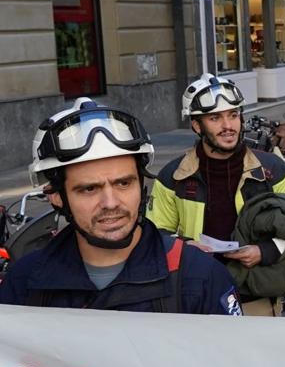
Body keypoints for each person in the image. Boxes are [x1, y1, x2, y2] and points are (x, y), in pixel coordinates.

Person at [3, 99, 241, 314]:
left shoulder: (198, 276)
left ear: (141, 185)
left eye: (124, 183)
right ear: (56, 196)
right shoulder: (25, 282)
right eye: (89, 189)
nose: (111, 203)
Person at [149, 73, 285, 316]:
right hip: (197, 297)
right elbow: (156, 234)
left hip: (256, 296)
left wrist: (264, 251)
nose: (228, 126)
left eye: (233, 115)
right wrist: (188, 249)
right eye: (215, 118)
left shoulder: (272, 169)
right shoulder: (173, 176)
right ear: (197, 125)